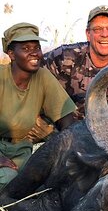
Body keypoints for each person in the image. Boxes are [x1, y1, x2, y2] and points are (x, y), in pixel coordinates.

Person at [0, 22, 76, 190]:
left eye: (37, 47)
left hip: (21, 150)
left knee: (47, 185)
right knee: (9, 182)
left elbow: (67, 121)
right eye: (26, 48)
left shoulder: (42, 76)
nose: (34, 53)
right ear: (11, 54)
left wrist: (72, 155)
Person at [42, 5, 108, 119]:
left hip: (104, 127)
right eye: (97, 29)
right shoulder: (64, 56)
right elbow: (32, 74)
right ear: (88, 34)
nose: (105, 34)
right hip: (62, 123)